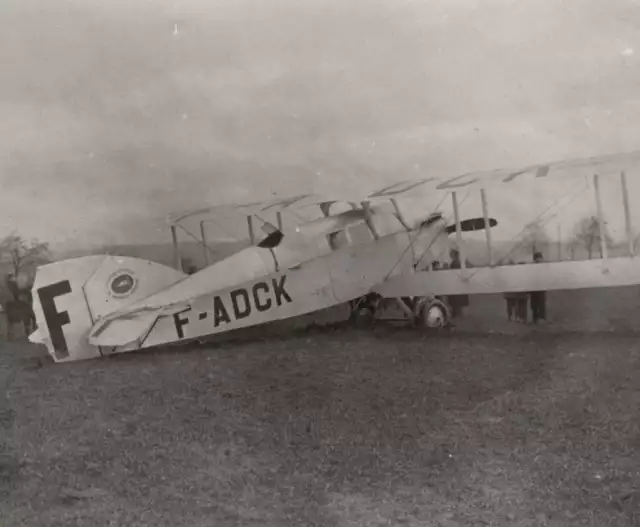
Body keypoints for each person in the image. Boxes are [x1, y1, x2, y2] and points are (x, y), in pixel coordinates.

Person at [447, 249, 470, 318]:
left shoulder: (455, 263)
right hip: (458, 284)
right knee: (457, 299)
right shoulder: (459, 263)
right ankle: (457, 312)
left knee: (456, 299)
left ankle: (457, 313)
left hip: (455, 284)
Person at [529, 252, 547, 323]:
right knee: (534, 304)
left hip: (541, 287)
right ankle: (535, 318)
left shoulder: (543, 267)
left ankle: (541, 317)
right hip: (534, 288)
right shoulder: (532, 267)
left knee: (541, 303)